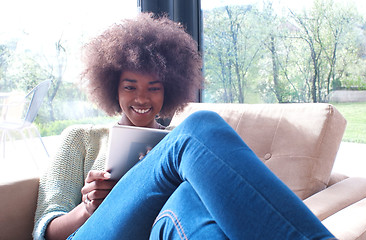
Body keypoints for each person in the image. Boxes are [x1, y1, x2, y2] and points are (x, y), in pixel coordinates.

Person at [33, 13, 336, 240]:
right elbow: (45, 230)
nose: (141, 98)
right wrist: (87, 208)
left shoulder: (180, 153)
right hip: (94, 233)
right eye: (129, 87)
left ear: (169, 90)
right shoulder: (81, 139)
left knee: (189, 200)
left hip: (161, 229)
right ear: (112, 87)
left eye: (153, 87)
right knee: (200, 127)